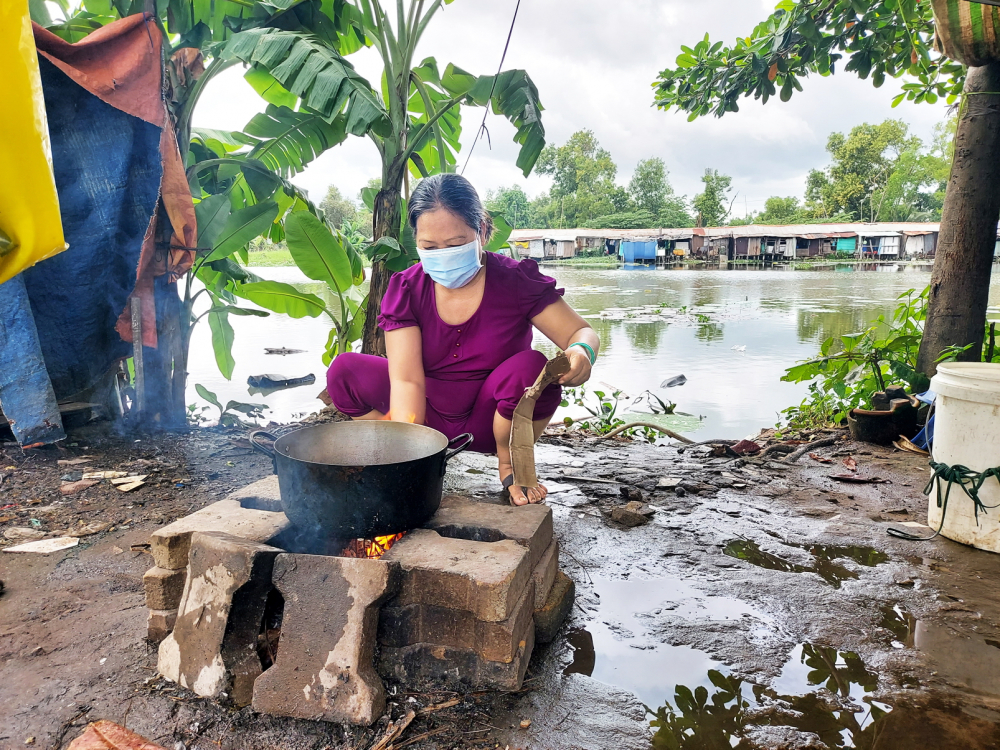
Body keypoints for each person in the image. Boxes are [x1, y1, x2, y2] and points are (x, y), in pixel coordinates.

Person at [326, 173, 600, 506]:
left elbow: (580, 332)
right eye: (429, 247)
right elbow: (407, 381)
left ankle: (510, 464)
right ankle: (393, 449)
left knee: (532, 367)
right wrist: (408, 457)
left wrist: (582, 351)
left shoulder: (515, 280)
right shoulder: (407, 288)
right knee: (345, 370)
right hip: (426, 413)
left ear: (482, 231)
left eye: (455, 245)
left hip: (494, 419)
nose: (443, 255)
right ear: (416, 242)